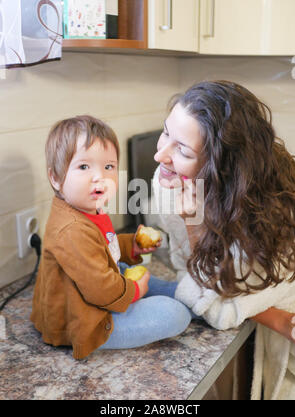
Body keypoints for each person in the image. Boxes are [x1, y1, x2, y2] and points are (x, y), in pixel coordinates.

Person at [152, 80, 295, 400]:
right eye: (166, 133)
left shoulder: (271, 221)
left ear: (221, 167)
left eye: (183, 149)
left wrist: (195, 227)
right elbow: (191, 275)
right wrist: (274, 318)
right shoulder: (171, 179)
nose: (159, 155)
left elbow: (222, 312)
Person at [30, 115, 191, 360]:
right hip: (83, 322)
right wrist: (135, 290)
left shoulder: (88, 208)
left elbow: (104, 245)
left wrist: (133, 246)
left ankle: (188, 296)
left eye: (109, 166)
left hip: (93, 293)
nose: (100, 176)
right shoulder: (71, 230)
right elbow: (101, 290)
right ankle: (183, 303)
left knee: (134, 271)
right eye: (84, 167)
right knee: (175, 314)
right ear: (55, 178)